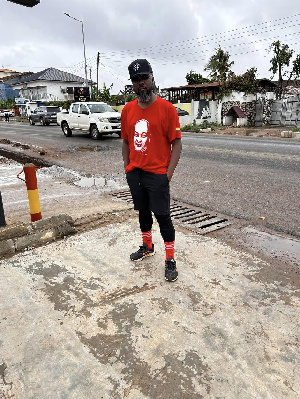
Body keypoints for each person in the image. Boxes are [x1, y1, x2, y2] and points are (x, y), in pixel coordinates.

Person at [121, 59, 182, 282]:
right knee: (143, 212)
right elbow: (126, 142)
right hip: (135, 174)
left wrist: (168, 174)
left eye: (144, 78)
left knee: (163, 216)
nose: (141, 83)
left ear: (152, 78)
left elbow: (177, 143)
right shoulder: (127, 110)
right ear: (133, 84)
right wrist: (128, 168)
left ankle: (170, 259)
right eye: (136, 80)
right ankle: (147, 246)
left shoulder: (167, 109)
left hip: (158, 175)